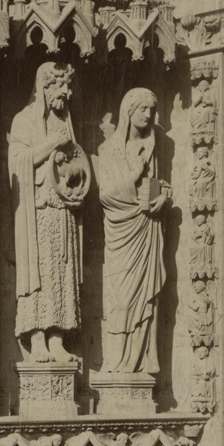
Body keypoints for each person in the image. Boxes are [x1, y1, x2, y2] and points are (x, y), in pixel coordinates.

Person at [8, 62, 90, 364]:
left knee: (61, 273)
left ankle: (57, 338)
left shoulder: (65, 121)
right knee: (39, 274)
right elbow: (16, 162)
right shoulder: (24, 119)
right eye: (61, 86)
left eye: (68, 87)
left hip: (63, 210)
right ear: (45, 86)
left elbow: (76, 161)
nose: (67, 93)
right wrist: (50, 145)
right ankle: (37, 337)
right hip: (36, 210)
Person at [95, 88, 172, 375]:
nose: (149, 115)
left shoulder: (154, 146)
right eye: (143, 110)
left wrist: (163, 197)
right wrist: (134, 175)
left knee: (147, 297)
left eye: (152, 110)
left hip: (148, 229)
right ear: (128, 111)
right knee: (122, 299)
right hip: (121, 233)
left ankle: (142, 362)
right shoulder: (109, 150)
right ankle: (117, 361)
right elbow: (106, 195)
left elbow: (159, 184)